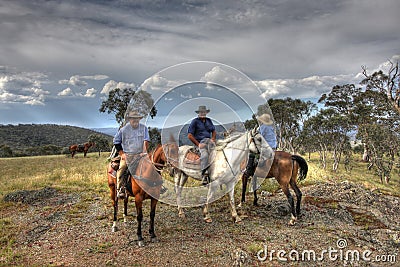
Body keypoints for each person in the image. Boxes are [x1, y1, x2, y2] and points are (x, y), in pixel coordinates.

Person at [113, 110, 150, 198]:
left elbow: (146, 140)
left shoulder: (144, 128)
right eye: (133, 119)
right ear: (129, 119)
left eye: (137, 119)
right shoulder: (123, 130)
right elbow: (116, 142)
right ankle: (120, 189)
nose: (135, 121)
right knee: (122, 169)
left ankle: (156, 186)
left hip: (140, 154)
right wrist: (122, 154)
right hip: (128, 155)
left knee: (151, 167)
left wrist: (144, 152)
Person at [242, 113, 277, 183]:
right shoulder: (271, 127)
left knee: (251, 154)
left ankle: (249, 170)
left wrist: (252, 139)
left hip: (267, 147)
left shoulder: (263, 127)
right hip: (274, 146)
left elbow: (259, 137)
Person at [187, 105, 216, 185]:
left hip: (209, 142)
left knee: (219, 152)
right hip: (200, 143)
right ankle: (204, 175)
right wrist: (199, 144)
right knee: (205, 155)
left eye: (204, 112)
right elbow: (189, 135)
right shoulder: (195, 122)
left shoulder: (209, 120)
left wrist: (213, 139)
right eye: (201, 112)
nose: (203, 113)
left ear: (206, 113)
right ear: (198, 113)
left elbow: (214, 131)